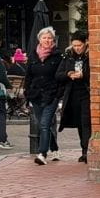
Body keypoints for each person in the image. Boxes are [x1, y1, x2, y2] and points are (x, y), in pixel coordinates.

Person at [25, 27, 63, 165]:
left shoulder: (58, 56)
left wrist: (58, 94)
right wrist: (27, 92)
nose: (47, 40)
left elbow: (60, 76)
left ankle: (42, 154)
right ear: (39, 39)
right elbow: (28, 76)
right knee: (43, 124)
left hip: (51, 95)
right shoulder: (33, 56)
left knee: (44, 124)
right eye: (44, 38)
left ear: (53, 40)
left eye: (49, 38)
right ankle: (55, 148)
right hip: (36, 95)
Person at [56, 31, 92, 163]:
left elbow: (94, 73)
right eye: (74, 45)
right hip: (72, 93)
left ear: (85, 43)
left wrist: (84, 75)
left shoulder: (89, 55)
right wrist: (69, 73)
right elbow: (58, 74)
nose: (77, 48)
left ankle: (87, 151)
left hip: (86, 92)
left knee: (86, 122)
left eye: (79, 45)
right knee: (80, 123)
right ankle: (83, 150)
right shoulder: (68, 55)